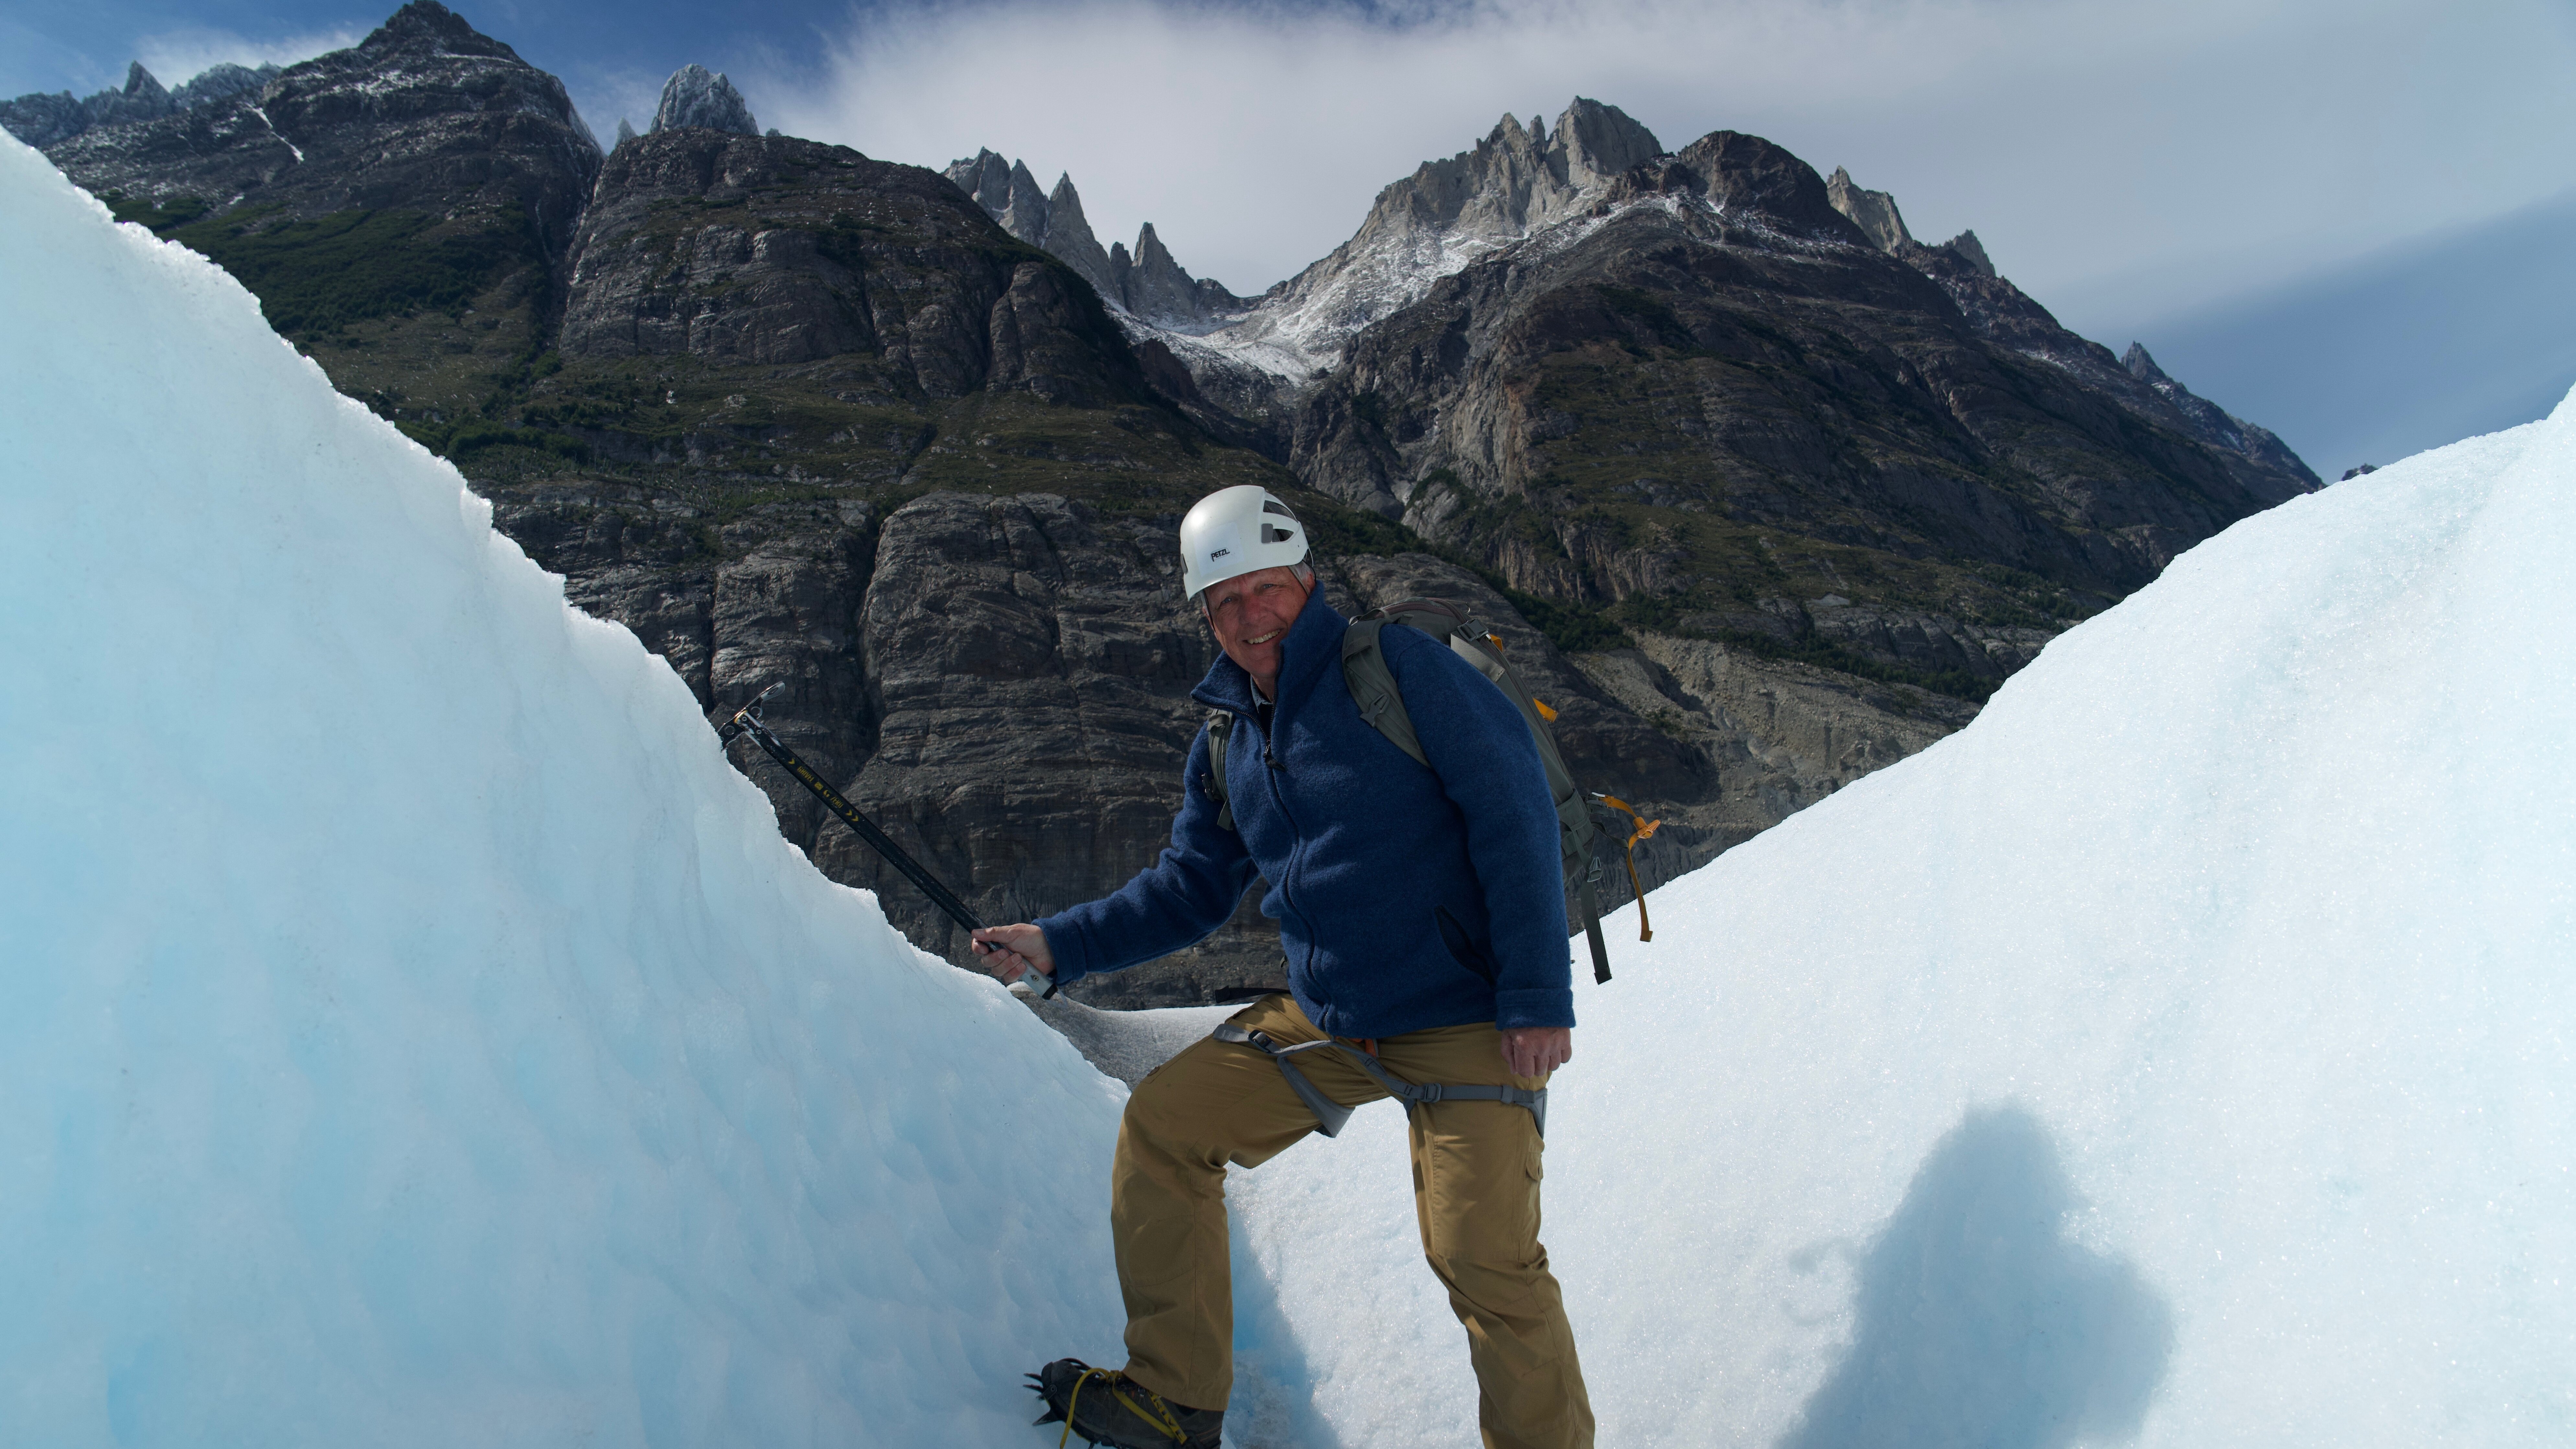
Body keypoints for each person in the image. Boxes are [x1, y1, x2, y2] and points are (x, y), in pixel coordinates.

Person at [970, 484, 1594, 1449]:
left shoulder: (1402, 670)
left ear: (1308, 579)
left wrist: (1536, 997)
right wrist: (1061, 944)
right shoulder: (1228, 737)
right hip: (1332, 1019)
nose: (1252, 615)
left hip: (1467, 1015)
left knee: (1485, 1262)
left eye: (1268, 588)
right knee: (1167, 1128)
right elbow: (1190, 887)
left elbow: (1516, 818)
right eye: (1226, 601)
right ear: (1205, 617)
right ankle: (1174, 1400)